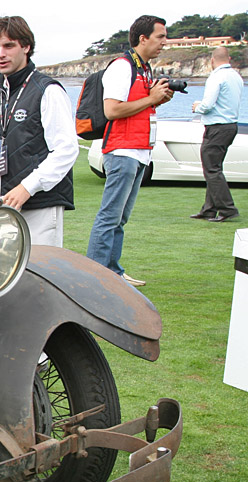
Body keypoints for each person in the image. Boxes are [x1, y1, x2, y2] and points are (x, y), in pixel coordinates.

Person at [0, 16, 78, 247]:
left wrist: (27, 187)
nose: (1, 54)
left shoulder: (48, 90)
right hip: (5, 204)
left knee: (40, 275)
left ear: (26, 47)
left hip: (41, 205)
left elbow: (66, 149)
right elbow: (9, 148)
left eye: (8, 46)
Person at [86, 15, 174, 287]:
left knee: (119, 218)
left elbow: (138, 108)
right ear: (143, 38)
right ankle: (97, 276)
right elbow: (111, 110)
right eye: (160, 36)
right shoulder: (123, 67)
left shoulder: (143, 68)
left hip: (138, 151)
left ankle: (112, 270)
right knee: (109, 216)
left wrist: (156, 100)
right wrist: (151, 98)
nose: (164, 42)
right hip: (123, 152)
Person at [191, 46, 244, 222]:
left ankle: (227, 208)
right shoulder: (236, 76)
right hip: (230, 125)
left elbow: (208, 104)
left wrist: (197, 107)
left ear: (212, 60)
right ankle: (209, 209)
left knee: (211, 169)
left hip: (217, 127)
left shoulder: (216, 77)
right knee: (214, 168)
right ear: (228, 59)